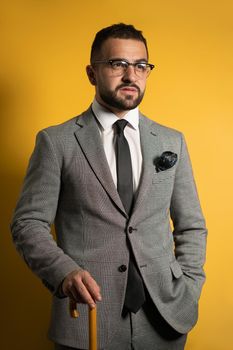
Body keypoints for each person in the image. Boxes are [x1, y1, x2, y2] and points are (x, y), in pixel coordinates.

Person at [11, 23, 207, 350]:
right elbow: (27, 223)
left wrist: (188, 287)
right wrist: (64, 272)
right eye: (118, 64)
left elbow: (191, 225)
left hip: (165, 319)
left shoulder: (172, 141)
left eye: (141, 65)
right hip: (86, 319)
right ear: (92, 73)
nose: (131, 75)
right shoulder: (56, 142)